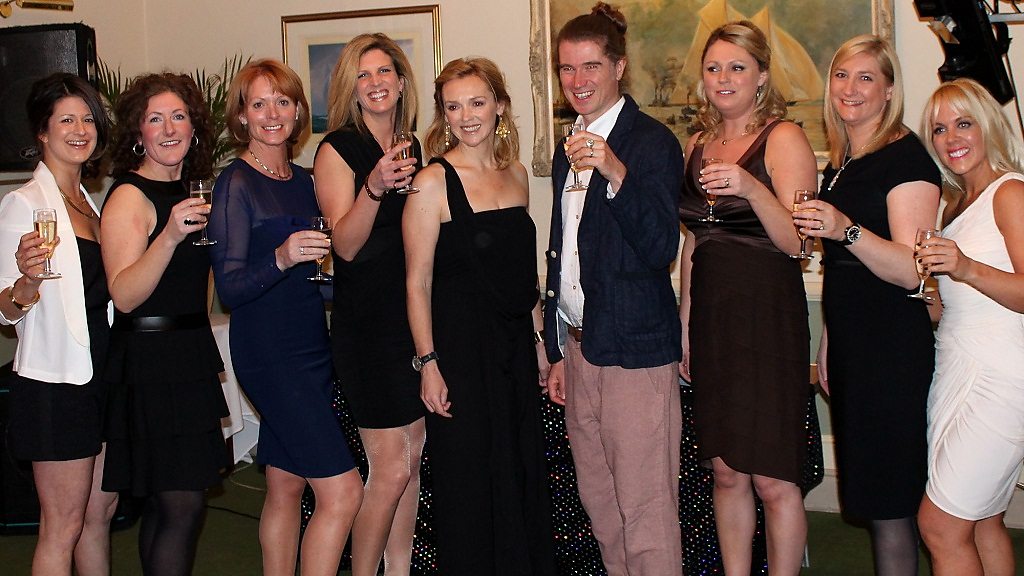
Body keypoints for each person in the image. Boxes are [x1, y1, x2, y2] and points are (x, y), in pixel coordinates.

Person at [542, 3, 684, 574]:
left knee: (645, 510)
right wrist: (556, 347)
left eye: (591, 66)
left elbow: (661, 247)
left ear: (619, 67)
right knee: (600, 505)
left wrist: (615, 171)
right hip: (581, 348)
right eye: (567, 68)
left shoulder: (651, 143)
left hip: (636, 351)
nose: (578, 80)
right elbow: (564, 251)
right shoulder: (568, 145)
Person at [208, 59, 362, 576]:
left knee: (286, 483)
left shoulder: (305, 180)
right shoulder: (235, 183)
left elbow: (316, 277)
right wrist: (281, 255)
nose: (272, 113)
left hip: (312, 345)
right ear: (242, 117)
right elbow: (230, 288)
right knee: (342, 492)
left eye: (282, 101)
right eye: (259, 104)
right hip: (269, 353)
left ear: (297, 112)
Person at [793, 35, 940, 575]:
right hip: (855, 344)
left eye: (866, 78)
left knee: (892, 503)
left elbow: (914, 270)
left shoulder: (906, 158)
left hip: (892, 349)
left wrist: (845, 229)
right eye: (841, 75)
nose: (850, 89)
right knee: (876, 500)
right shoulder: (846, 160)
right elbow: (845, 271)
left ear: (890, 91)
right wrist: (830, 340)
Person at [403, 56, 556, 575]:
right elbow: (416, 282)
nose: (466, 116)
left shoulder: (517, 176)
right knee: (469, 484)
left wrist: (540, 344)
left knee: (519, 472)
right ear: (443, 115)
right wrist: (428, 363)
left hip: (514, 352)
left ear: (500, 106)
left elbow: (523, 275)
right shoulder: (431, 182)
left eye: (476, 102)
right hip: (460, 356)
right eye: (453, 107)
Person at [678, 20, 818, 575]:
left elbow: (799, 243)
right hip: (712, 322)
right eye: (713, 67)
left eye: (737, 67)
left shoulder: (783, 138)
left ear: (761, 75)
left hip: (768, 321)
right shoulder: (696, 144)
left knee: (774, 478)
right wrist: (686, 324)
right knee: (726, 471)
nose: (724, 77)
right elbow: (694, 241)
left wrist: (752, 188)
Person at [99, 72, 228, 576]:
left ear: (194, 128)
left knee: (171, 505)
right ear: (139, 132)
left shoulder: (192, 192)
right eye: (156, 119)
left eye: (179, 117)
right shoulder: (129, 195)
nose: (170, 128)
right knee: (180, 505)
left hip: (189, 354)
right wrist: (170, 236)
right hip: (150, 363)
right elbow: (124, 294)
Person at [313, 33, 425, 576]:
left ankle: (397, 570)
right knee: (391, 469)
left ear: (401, 82)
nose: (375, 82)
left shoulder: (414, 145)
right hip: (367, 329)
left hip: (413, 324)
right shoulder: (337, 149)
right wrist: (374, 187)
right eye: (363, 74)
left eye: (384, 71)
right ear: (350, 88)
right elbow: (345, 246)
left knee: (414, 461)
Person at [0, 73, 117, 576]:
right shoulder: (24, 204)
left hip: (102, 374)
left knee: (98, 516)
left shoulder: (91, 203)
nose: (80, 130)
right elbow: (5, 309)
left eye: (88, 119)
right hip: (57, 385)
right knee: (62, 526)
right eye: (66, 119)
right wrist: (27, 280)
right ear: (42, 132)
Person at [915, 77, 1024, 576]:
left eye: (963, 123)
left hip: (1000, 379)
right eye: (939, 129)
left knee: (940, 527)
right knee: (981, 523)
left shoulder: (1010, 192)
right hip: (955, 370)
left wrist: (964, 268)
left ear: (988, 127)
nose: (951, 138)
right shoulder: (953, 203)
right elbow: (955, 305)